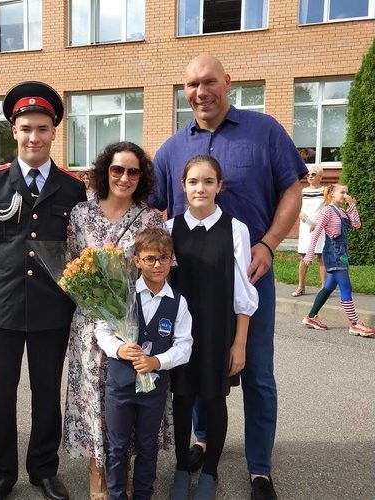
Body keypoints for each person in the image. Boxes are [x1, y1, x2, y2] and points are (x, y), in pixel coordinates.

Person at [150, 54, 307, 500]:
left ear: (228, 83)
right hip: (190, 285)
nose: (201, 92)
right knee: (193, 365)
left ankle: (260, 468)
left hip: (249, 275)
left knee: (255, 370)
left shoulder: (265, 131)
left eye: (209, 81)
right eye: (192, 84)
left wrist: (269, 243)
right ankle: (202, 443)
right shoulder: (171, 149)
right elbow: (154, 210)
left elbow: (292, 189)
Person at [0, 81, 86, 500]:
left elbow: (78, 252)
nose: (35, 137)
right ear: (13, 131)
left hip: (52, 312)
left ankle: (44, 471)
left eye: (42, 129)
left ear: (54, 132)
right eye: (27, 128)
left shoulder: (72, 188)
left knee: (47, 395)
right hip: (1, 310)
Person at [62, 141, 170, 499]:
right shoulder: (81, 214)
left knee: (130, 399)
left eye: (133, 171)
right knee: (94, 400)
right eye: (117, 169)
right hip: (90, 326)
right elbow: (71, 267)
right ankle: (98, 477)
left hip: (134, 325)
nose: (125, 177)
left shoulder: (150, 218)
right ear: (105, 171)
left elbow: (158, 270)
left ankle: (124, 476)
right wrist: (93, 299)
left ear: (142, 176)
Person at [166, 155, 258, 499]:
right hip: (178, 334)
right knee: (181, 398)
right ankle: (180, 468)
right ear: (183, 186)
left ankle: (210, 472)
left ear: (220, 186)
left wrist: (239, 343)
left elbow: (243, 294)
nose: (200, 188)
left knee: (214, 399)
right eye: (193, 181)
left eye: (208, 181)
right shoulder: (170, 229)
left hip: (218, 330)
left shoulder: (235, 229)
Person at [95, 227, 193, 500]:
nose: (157, 265)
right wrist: (119, 348)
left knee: (148, 447)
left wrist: (156, 362)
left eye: (164, 258)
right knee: (117, 447)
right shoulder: (121, 294)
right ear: (137, 261)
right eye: (150, 258)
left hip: (154, 390)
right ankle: (116, 496)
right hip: (120, 386)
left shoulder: (178, 303)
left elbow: (184, 346)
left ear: (172, 259)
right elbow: (101, 330)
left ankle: (143, 495)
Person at [302, 184, 375, 337]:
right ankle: (354, 324)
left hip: (342, 254)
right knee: (346, 287)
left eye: (346, 192)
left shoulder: (342, 212)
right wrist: (309, 254)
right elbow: (317, 232)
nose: (345, 195)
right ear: (332, 194)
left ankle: (311, 317)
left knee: (328, 287)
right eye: (342, 192)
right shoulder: (327, 211)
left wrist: (352, 206)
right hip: (333, 253)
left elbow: (356, 224)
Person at [292, 165, 326, 297]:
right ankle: (301, 286)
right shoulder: (303, 191)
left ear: (320, 176)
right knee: (303, 256)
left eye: (313, 174)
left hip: (320, 227)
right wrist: (299, 213)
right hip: (306, 227)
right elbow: (296, 206)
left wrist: (318, 223)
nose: (310, 177)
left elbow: (328, 208)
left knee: (321, 257)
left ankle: (324, 289)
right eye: (308, 175)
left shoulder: (325, 191)